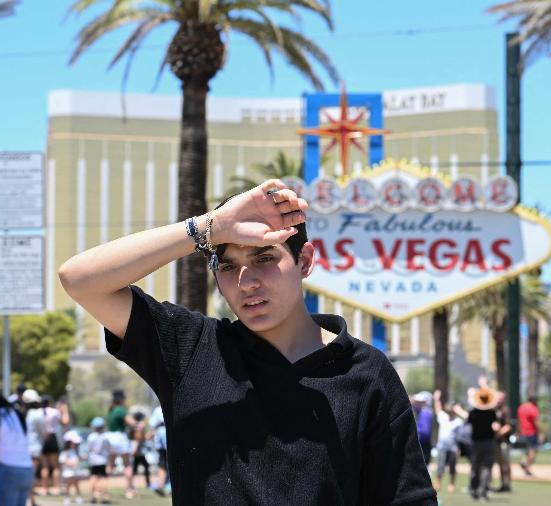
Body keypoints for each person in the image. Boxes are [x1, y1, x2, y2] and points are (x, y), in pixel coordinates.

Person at [58, 180, 436, 505]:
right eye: (227, 265)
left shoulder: (366, 372)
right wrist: (210, 227)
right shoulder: (190, 348)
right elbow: (78, 278)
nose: (246, 282)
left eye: (264, 258)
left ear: (304, 262)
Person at [461, 385, 499, 501]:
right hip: (489, 442)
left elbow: (467, 422)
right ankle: (483, 492)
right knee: (487, 467)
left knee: (475, 467)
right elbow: (495, 425)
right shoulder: (491, 413)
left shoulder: (473, 412)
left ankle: (473, 490)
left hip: (476, 443)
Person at [104, 390, 135, 499]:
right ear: (121, 399)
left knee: (110, 465)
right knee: (127, 464)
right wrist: (138, 424)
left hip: (109, 437)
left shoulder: (110, 410)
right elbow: (131, 423)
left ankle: (103, 489)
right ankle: (129, 490)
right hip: (119, 437)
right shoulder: (121, 410)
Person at [432, 390, 463, 493]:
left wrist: (459, 448)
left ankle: (452, 484)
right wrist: (437, 399)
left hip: (453, 447)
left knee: (452, 467)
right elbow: (438, 409)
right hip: (442, 446)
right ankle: (438, 482)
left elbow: (461, 436)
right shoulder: (443, 417)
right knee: (440, 466)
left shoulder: (459, 421)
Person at [23, 389, 45, 505]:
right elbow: (43, 432)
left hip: (22, 448)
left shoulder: (22, 413)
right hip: (34, 448)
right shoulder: (38, 414)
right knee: (30, 475)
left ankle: (30, 499)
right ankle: (30, 500)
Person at [86, 417, 112, 504]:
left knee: (93, 477)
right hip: (102, 460)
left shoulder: (91, 437)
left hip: (93, 460)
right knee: (102, 478)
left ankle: (93, 496)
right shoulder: (105, 437)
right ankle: (103, 496)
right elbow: (108, 449)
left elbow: (89, 449)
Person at [492, 391, 513, 493]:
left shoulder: (505, 410)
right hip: (496, 442)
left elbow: (508, 426)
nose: (498, 400)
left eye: (500, 398)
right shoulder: (494, 410)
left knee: (506, 464)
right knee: (500, 464)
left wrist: (498, 433)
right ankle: (502, 484)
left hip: (504, 441)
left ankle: (507, 484)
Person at [516, 396, 540, 476]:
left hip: (523, 432)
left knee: (527, 451)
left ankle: (523, 461)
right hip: (531, 432)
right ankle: (527, 467)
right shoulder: (533, 408)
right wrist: (540, 433)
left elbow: (518, 421)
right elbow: (536, 422)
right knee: (533, 450)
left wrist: (518, 432)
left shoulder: (521, 407)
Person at [129, 412, 152, 491]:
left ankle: (132, 485)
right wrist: (134, 450)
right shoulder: (138, 427)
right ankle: (146, 484)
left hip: (138, 452)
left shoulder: (135, 427)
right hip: (138, 452)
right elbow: (137, 440)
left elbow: (142, 439)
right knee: (141, 467)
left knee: (136, 468)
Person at [60, 430, 83, 505]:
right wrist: (71, 463)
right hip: (68, 471)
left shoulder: (75, 451)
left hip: (75, 471)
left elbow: (78, 458)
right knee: (68, 484)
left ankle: (79, 496)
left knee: (76, 483)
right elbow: (62, 460)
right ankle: (67, 497)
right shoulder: (65, 451)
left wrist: (81, 458)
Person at [412, 391, 435, 467]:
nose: (416, 403)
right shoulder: (423, 412)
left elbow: (425, 433)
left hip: (423, 445)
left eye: (419, 402)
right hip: (424, 445)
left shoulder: (425, 413)